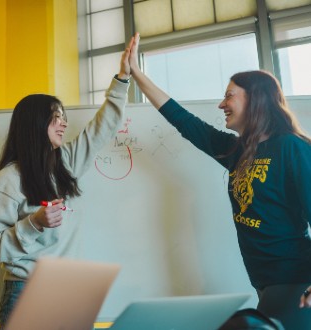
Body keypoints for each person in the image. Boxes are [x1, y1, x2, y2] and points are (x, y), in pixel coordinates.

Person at [127, 32, 311, 330]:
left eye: (229, 95)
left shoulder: (292, 148)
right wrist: (137, 74)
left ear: (256, 99)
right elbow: (182, 119)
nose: (221, 104)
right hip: (265, 284)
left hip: (297, 282)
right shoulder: (236, 151)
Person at [0, 40, 133, 329]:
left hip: (71, 290)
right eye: (56, 117)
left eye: (64, 118)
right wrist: (34, 222)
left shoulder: (66, 162)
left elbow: (103, 127)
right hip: (27, 290)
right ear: (35, 124)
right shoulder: (6, 181)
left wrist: (123, 78)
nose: (64, 124)